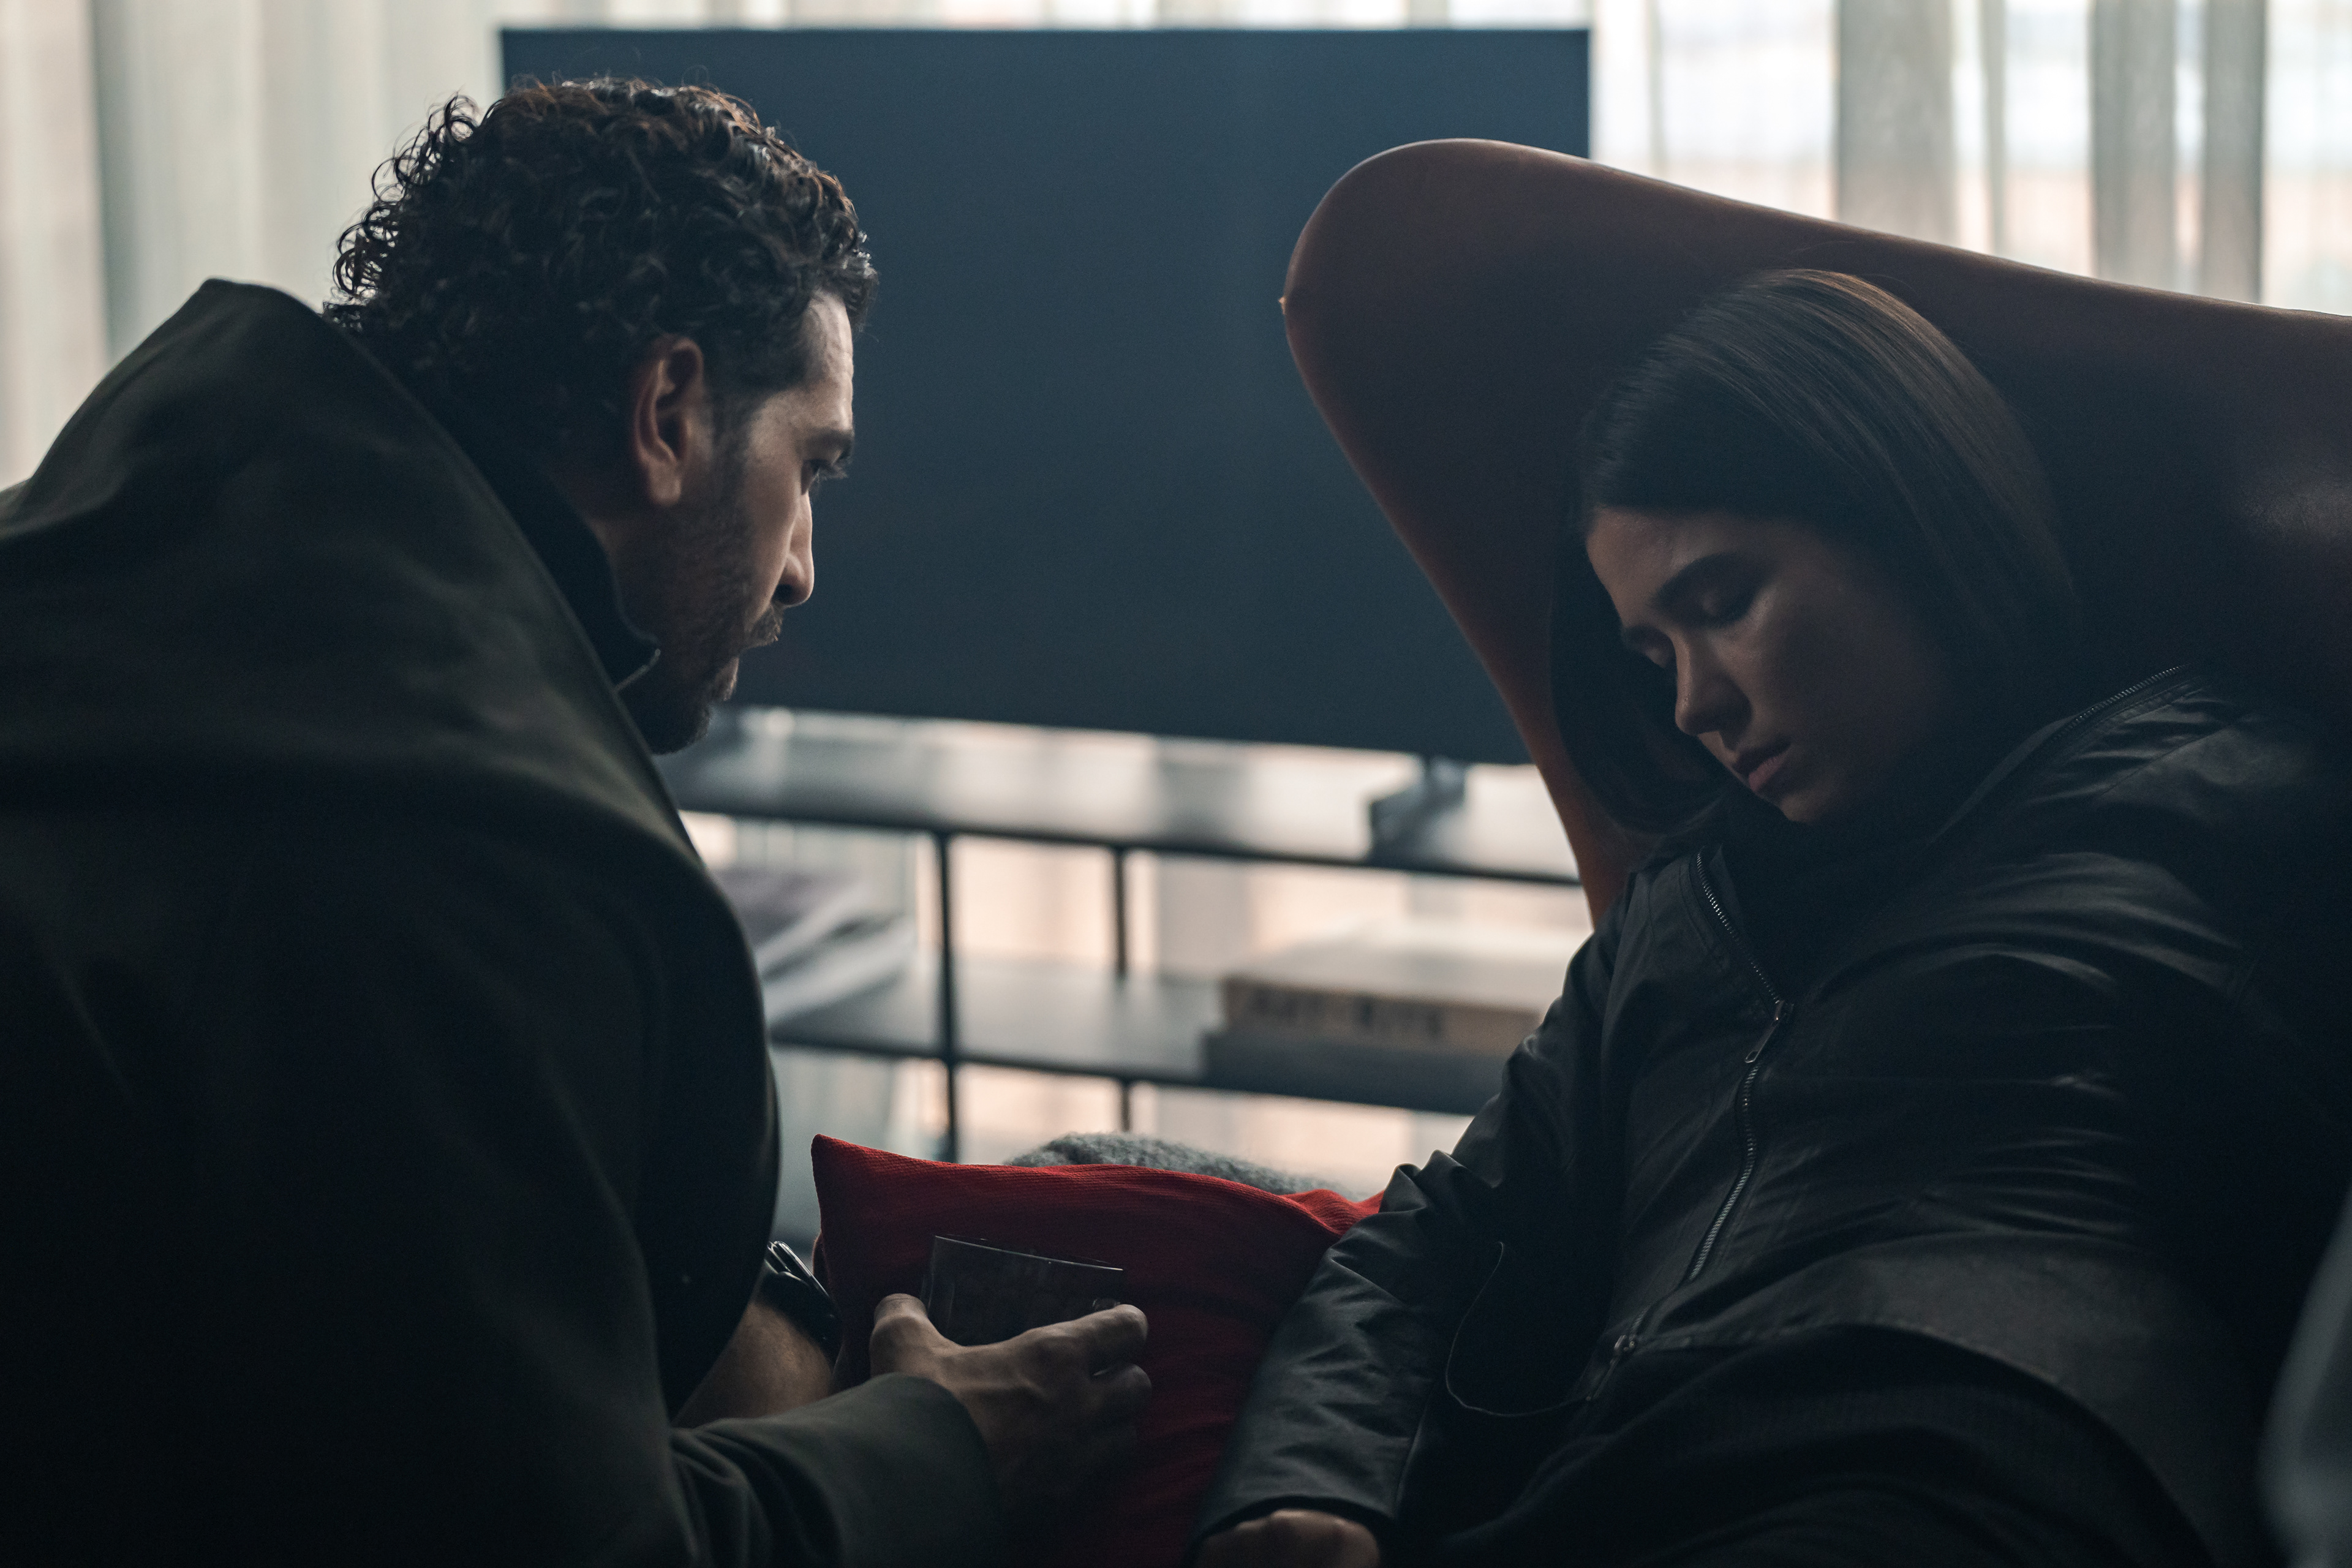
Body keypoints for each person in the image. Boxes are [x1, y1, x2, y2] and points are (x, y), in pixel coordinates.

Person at [0, 80, 1146, 1564]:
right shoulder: (477, 849)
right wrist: (947, 1446)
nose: (803, 566)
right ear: (668, 413)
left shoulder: (104, 569)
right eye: (810, 466)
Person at [1191, 270, 2352, 1568]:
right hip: (1623, 1481)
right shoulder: (1680, 915)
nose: (1693, 703)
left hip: (1961, 1459)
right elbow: (1438, 1239)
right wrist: (1305, 1487)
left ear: (1909, 516)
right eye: (1654, 654)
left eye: (1724, 602)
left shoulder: (2223, 800)